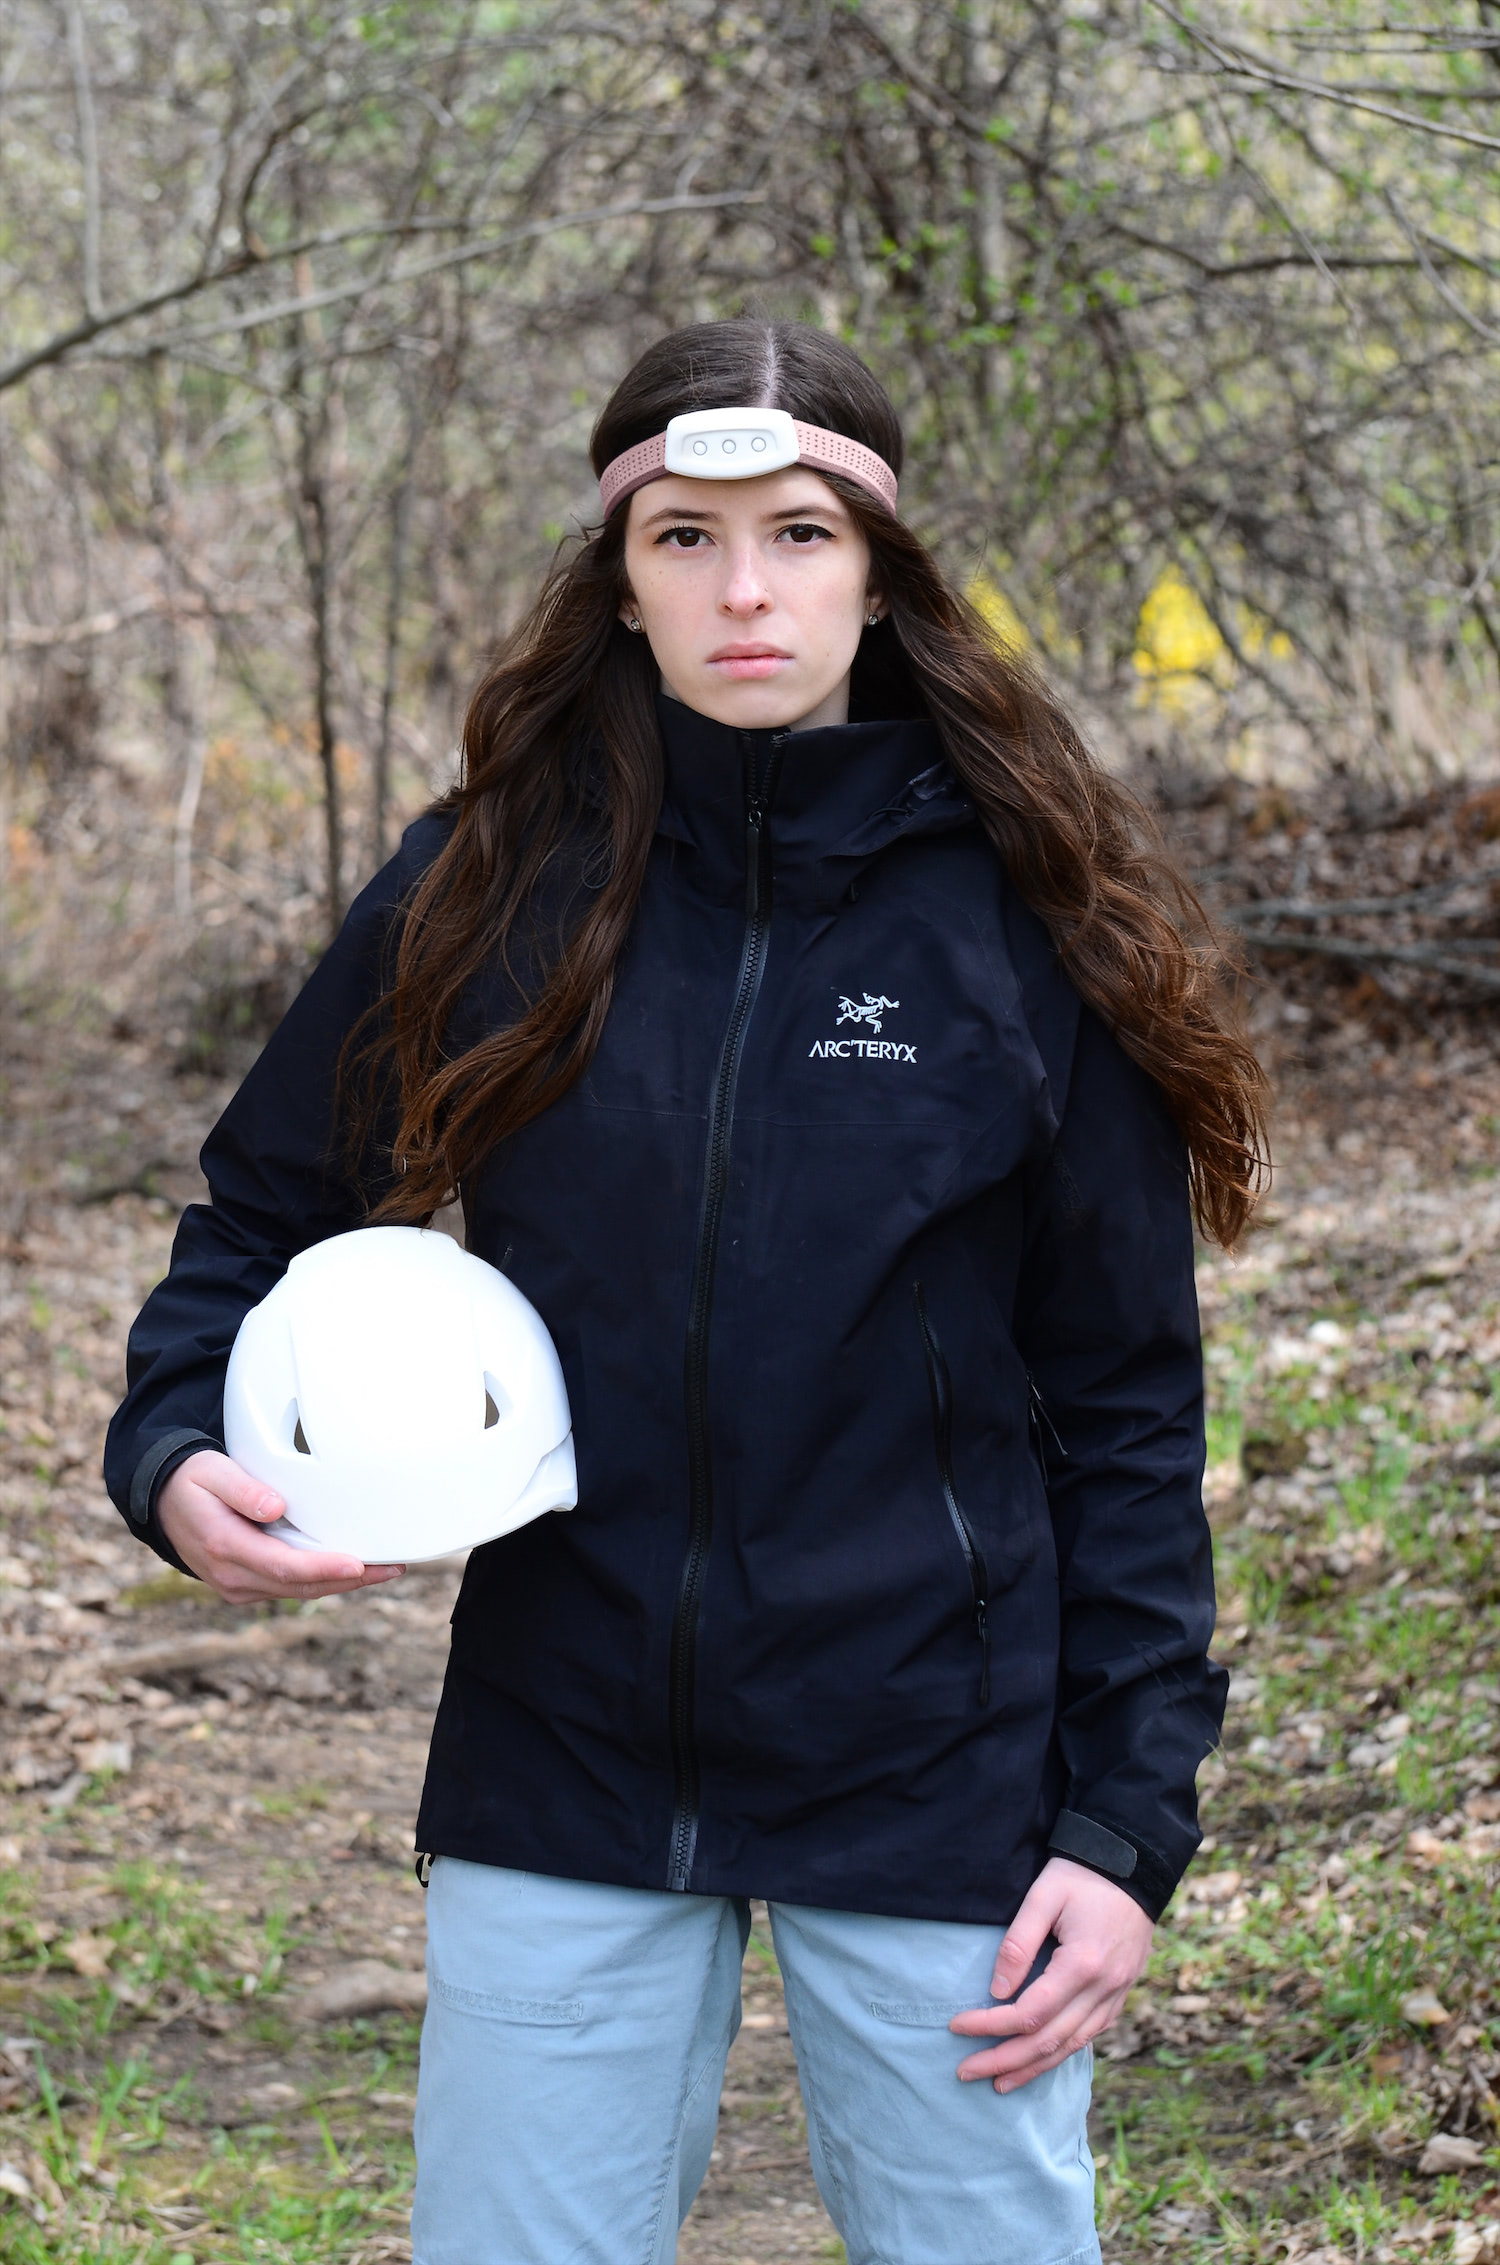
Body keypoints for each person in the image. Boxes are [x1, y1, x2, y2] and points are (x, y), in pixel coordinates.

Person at [106, 319, 1266, 2265]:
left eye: (801, 534)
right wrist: (170, 1444)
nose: (745, 590)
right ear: (619, 577)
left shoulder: (1023, 920)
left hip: (938, 1761)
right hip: (562, 1747)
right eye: (686, 539)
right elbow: (258, 1216)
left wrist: (1124, 1819)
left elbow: (1129, 1404)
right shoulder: (489, 885)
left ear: (879, 575)